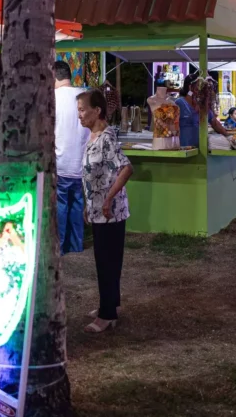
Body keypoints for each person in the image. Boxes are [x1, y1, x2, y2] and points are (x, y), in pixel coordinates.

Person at [77, 88, 133, 334]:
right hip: (98, 210)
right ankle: (109, 303)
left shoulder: (106, 138)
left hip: (110, 212)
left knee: (106, 262)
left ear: (96, 110)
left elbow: (126, 169)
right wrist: (89, 205)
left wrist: (108, 200)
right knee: (106, 260)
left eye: (82, 110)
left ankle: (107, 315)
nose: (79, 116)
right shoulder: (92, 137)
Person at [54, 60, 90, 254]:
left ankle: (59, 247)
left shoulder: (53, 98)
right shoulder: (84, 96)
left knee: (61, 206)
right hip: (80, 162)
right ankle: (76, 246)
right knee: (77, 204)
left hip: (61, 161)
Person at [176, 73, 229, 147]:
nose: (202, 89)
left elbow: (215, 123)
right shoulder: (179, 103)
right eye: (199, 86)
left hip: (200, 148)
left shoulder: (203, 105)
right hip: (184, 147)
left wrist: (228, 136)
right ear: (190, 87)